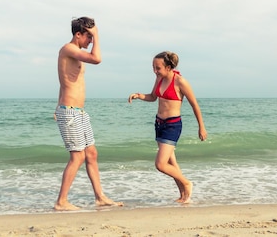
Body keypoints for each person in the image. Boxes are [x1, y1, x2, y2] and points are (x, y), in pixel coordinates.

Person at [54, 17, 122, 211]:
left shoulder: (75, 54)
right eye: (88, 36)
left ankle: (100, 197)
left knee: (91, 153)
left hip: (78, 112)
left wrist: (57, 104)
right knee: (77, 157)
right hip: (70, 112)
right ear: (78, 34)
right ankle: (61, 201)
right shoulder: (68, 49)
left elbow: (65, 81)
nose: (90, 41)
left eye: (92, 37)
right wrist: (98, 35)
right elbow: (97, 59)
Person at [128, 51, 207, 204]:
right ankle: (184, 195)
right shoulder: (159, 78)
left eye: (158, 68)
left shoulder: (180, 82)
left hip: (172, 125)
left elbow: (194, 105)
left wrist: (201, 127)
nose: (155, 71)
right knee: (172, 163)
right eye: (153, 67)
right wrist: (139, 96)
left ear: (169, 67)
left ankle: (186, 183)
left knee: (160, 164)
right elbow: (152, 97)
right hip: (159, 124)